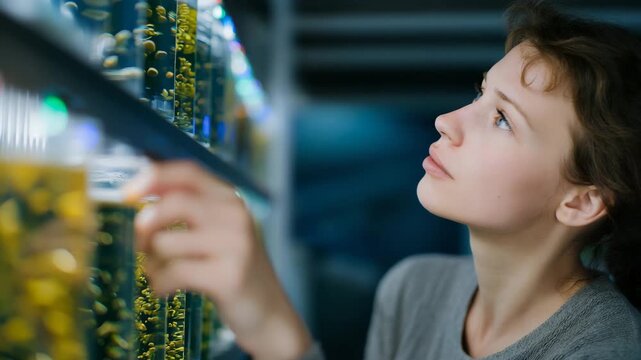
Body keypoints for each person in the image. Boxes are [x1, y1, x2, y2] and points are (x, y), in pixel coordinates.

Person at [124, 0, 641, 358]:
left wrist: (271, 322)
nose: (448, 121)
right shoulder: (413, 288)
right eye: (482, 94)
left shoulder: (602, 348)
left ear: (581, 202)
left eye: (503, 118)